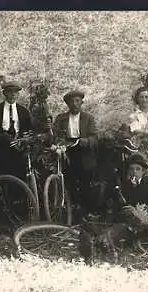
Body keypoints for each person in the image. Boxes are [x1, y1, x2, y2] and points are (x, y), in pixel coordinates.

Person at [78, 153, 148, 263]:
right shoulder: (124, 184)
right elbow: (118, 204)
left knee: (121, 229)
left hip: (147, 220)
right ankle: (96, 243)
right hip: (128, 218)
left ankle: (104, 244)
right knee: (99, 225)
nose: (134, 172)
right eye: (132, 169)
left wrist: (141, 211)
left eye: (138, 169)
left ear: (143, 171)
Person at [52, 90, 98, 219]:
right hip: (67, 151)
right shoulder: (61, 118)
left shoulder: (88, 118)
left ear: (81, 102)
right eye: (71, 101)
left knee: (85, 183)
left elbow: (95, 137)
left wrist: (87, 141)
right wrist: (59, 142)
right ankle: (70, 210)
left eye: (77, 101)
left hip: (83, 152)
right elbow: (55, 134)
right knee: (69, 182)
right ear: (67, 104)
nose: (74, 104)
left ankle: (87, 212)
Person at [0, 81, 33, 180]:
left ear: (18, 95)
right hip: (1, 148)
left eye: (15, 92)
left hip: (18, 148)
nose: (12, 94)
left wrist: (23, 141)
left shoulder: (23, 111)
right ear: (4, 93)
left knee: (18, 175)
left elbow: (28, 130)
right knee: (1, 174)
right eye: (9, 91)